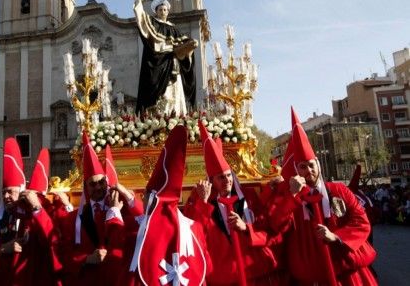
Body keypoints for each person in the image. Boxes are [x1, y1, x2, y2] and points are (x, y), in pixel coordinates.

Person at [268, 108, 377, 286]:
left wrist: (336, 237)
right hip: (310, 275)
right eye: (302, 167)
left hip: (345, 271)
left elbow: (361, 221)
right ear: (296, 170)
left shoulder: (339, 190)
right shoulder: (290, 195)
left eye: (311, 165)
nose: (308, 171)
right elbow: (275, 224)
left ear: (318, 164)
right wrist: (290, 195)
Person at [184, 121, 285, 286]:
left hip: (252, 273)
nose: (227, 181)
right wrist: (202, 203)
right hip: (221, 277)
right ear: (211, 180)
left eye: (228, 175)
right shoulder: (199, 200)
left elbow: (267, 227)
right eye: (221, 177)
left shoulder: (249, 196)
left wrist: (246, 229)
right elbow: (194, 237)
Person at [121, 125, 210, 285]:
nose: (143, 197)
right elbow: (207, 267)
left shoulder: (139, 228)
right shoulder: (193, 227)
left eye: (146, 194)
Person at [0, 138, 60, 286]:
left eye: (10, 192)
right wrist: (1, 249)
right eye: (3, 192)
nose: (5, 196)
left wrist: (37, 209)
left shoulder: (33, 215)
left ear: (22, 192)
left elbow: (52, 242)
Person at [58, 134, 143, 286]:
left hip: (118, 279)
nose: (98, 187)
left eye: (101, 182)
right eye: (93, 184)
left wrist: (125, 194)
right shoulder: (73, 219)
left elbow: (142, 217)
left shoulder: (120, 207)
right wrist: (87, 259)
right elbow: (64, 256)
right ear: (86, 187)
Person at [134, 0, 198, 116]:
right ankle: (161, 118)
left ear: (168, 11)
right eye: (160, 9)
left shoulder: (174, 29)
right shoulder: (153, 23)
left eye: (165, 10)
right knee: (163, 97)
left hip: (173, 65)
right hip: (158, 64)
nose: (163, 11)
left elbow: (185, 44)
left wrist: (189, 48)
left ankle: (176, 117)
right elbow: (139, 16)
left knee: (176, 93)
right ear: (156, 12)